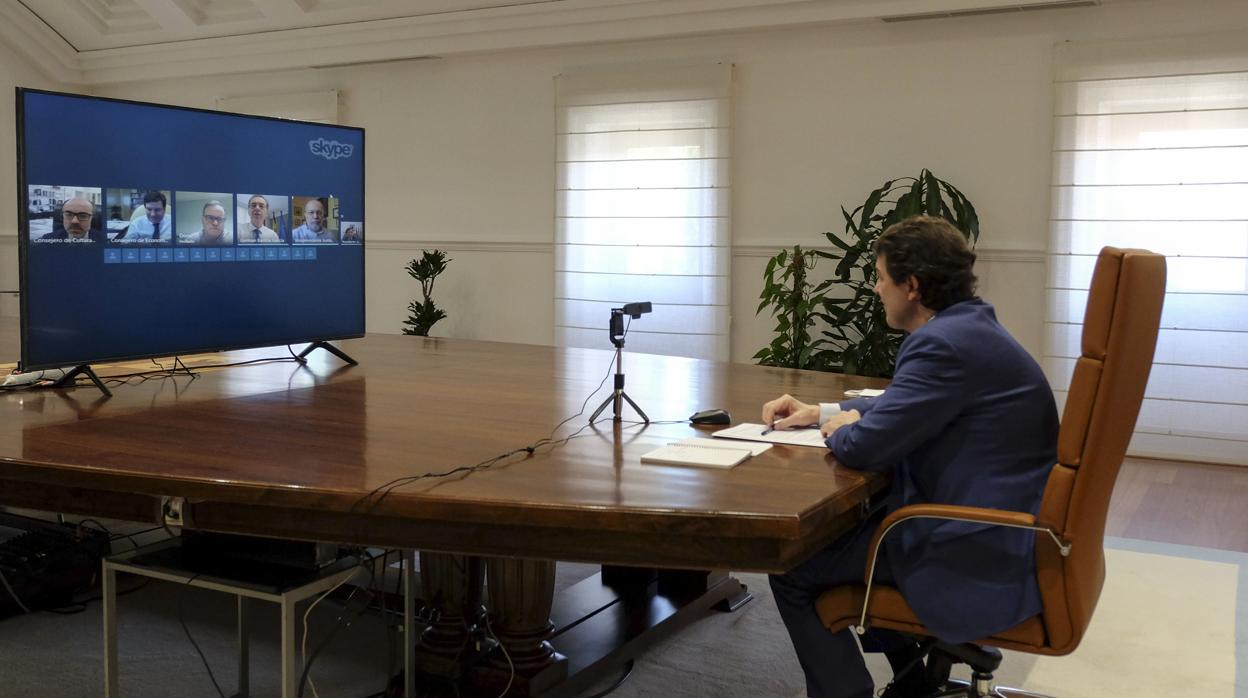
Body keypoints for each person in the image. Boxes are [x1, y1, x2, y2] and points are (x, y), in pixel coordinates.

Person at [761, 215, 1058, 698]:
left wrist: (841, 430)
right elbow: (905, 403)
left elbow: (865, 446)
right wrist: (824, 411)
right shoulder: (970, 330)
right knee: (857, 529)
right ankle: (915, 676)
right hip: (1008, 531)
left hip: (971, 548)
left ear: (912, 286)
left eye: (880, 278)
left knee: (792, 565)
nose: (877, 290)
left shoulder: (941, 345)